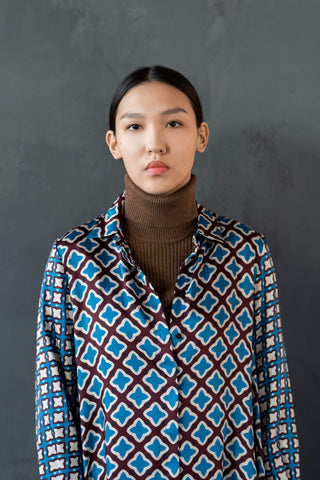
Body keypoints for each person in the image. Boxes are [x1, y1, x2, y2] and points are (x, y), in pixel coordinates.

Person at [35, 65, 300, 480]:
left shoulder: (245, 253)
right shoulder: (74, 259)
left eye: (173, 123)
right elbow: (56, 411)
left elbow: (274, 399)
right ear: (114, 143)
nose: (155, 144)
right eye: (135, 127)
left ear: (201, 135)